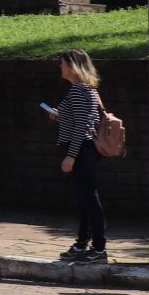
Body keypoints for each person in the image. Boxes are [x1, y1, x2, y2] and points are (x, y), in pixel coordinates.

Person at [46, 49, 107, 263]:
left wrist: (71, 156)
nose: (60, 67)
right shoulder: (84, 89)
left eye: (62, 63)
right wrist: (60, 116)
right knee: (84, 199)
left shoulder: (79, 90)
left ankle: (99, 248)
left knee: (89, 198)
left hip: (81, 149)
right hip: (82, 148)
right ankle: (82, 242)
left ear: (72, 66)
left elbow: (82, 126)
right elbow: (82, 120)